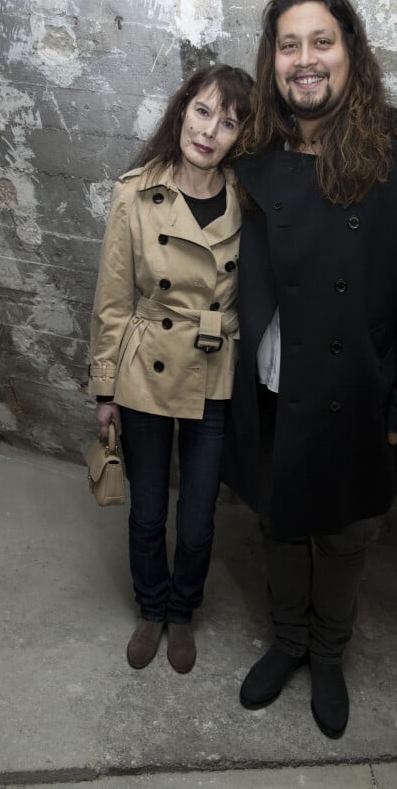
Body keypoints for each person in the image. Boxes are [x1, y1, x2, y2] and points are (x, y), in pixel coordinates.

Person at [222, 0, 397, 737]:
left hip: (356, 387)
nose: (305, 60)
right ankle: (289, 640)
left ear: (350, 50)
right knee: (281, 525)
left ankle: (328, 653)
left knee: (345, 534)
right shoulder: (256, 147)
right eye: (289, 45)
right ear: (274, 59)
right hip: (272, 384)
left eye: (321, 41)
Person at [88, 64, 253, 674]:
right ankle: (152, 608)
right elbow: (112, 299)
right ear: (183, 110)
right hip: (144, 370)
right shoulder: (136, 191)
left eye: (228, 122)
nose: (209, 132)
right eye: (203, 112)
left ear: (242, 136)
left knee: (200, 514)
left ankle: (184, 610)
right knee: (149, 508)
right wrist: (105, 388)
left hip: (213, 370)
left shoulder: (251, 200)